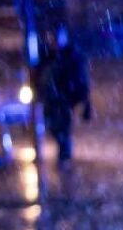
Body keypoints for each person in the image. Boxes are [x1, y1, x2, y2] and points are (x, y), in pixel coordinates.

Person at [36, 25, 90, 163]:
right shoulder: (47, 55)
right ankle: (63, 148)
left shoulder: (72, 56)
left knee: (62, 125)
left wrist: (84, 101)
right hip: (52, 97)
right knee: (52, 125)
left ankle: (64, 152)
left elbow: (80, 78)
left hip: (64, 97)